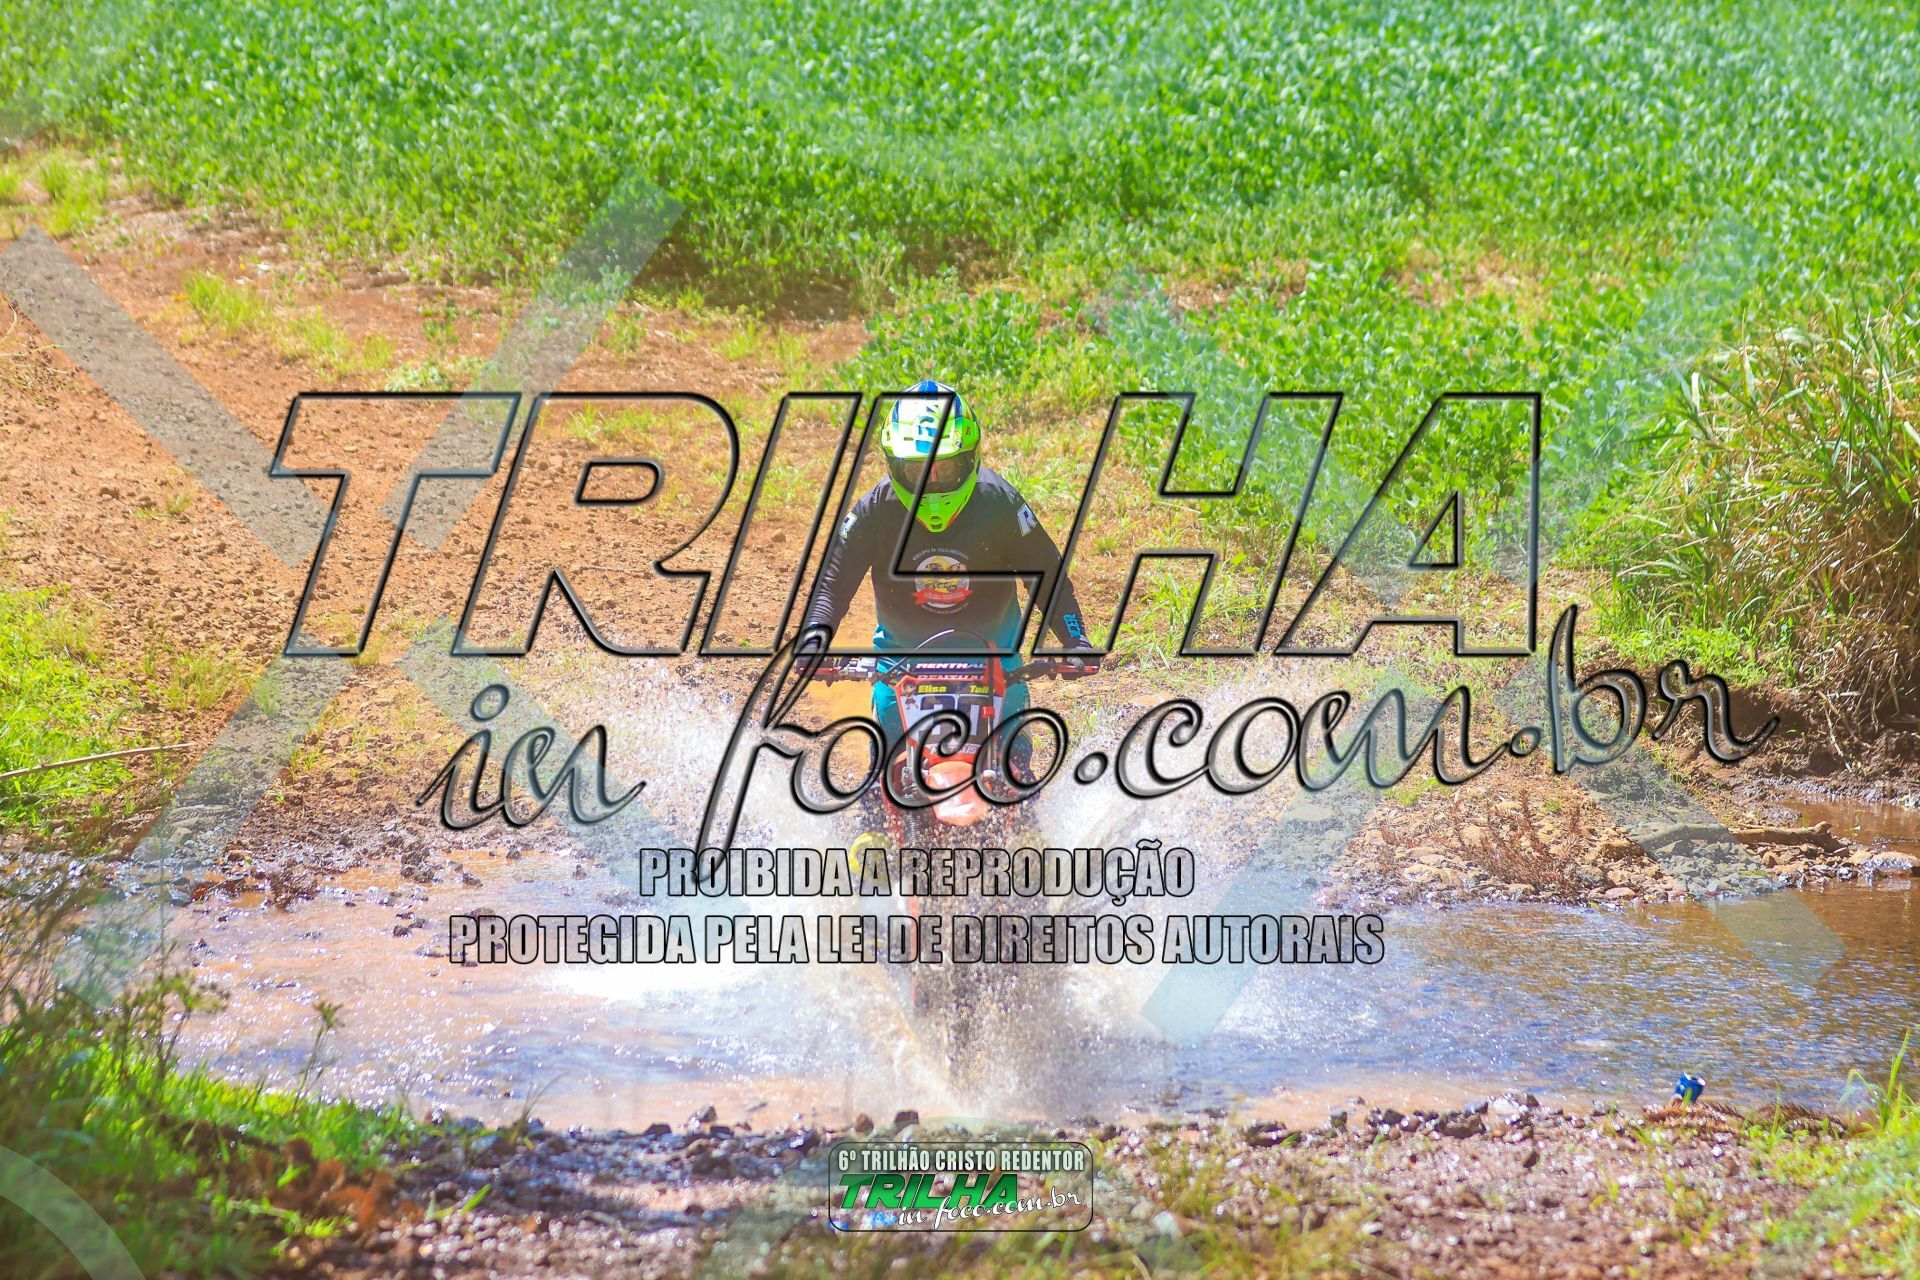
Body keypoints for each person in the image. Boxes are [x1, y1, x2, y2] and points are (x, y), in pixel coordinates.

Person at [801, 379, 1098, 750]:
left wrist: (1074, 638)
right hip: (902, 668)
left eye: (945, 467)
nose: (932, 482)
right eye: (916, 471)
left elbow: (1048, 576)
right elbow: (833, 584)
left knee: (1017, 768)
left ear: (969, 459)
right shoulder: (875, 510)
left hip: (995, 666)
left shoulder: (1000, 503)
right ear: (894, 466)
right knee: (884, 773)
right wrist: (815, 637)